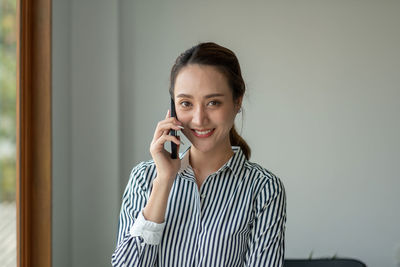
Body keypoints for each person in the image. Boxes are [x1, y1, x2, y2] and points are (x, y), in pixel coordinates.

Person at [111, 42, 286, 266]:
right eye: (186, 103)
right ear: (173, 108)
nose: (199, 119)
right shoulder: (144, 178)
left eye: (213, 102)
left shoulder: (264, 189)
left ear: (237, 101)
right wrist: (164, 181)